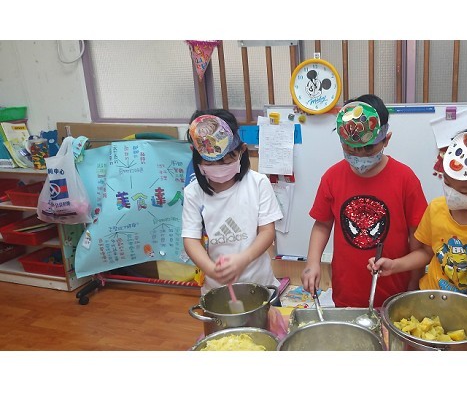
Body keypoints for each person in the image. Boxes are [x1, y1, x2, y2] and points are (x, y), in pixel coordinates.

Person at [368, 127, 467, 350]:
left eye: (465, 190)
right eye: (448, 184)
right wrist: (395, 265)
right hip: (430, 302)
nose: (453, 194)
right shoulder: (436, 209)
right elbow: (426, 252)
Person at [301, 94, 428, 308]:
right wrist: (312, 262)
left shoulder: (405, 179)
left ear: (386, 139)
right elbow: (322, 225)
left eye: (368, 149)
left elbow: (418, 241)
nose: (359, 156)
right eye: (350, 149)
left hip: (394, 293)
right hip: (346, 291)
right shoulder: (332, 177)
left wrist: (414, 283)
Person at [181, 109, 283, 298]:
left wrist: (244, 258)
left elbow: (267, 232)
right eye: (209, 164)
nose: (218, 169)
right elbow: (191, 239)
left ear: (241, 151)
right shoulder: (193, 192)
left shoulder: (258, 183)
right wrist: (211, 269)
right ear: (195, 154)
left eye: (226, 162)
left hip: (261, 286)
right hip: (218, 291)